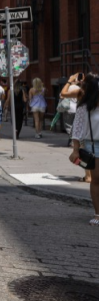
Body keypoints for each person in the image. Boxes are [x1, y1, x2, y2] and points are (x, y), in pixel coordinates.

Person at [67, 72, 99, 226]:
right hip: (94, 146)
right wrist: (75, 149)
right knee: (97, 180)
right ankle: (98, 214)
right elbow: (77, 129)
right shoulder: (84, 107)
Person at [62, 73, 90, 182]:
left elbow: (63, 93)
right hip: (93, 128)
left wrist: (70, 80)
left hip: (82, 128)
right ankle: (91, 175)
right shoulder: (95, 93)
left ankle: (88, 176)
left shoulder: (80, 92)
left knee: (82, 154)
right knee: (91, 153)